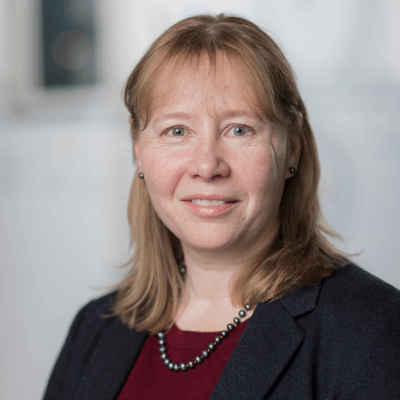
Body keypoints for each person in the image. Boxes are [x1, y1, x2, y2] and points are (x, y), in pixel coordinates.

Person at [43, 14, 400, 400]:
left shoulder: (371, 328)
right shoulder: (95, 329)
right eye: (177, 131)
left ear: (291, 146)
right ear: (138, 148)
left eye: (239, 129)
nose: (207, 166)